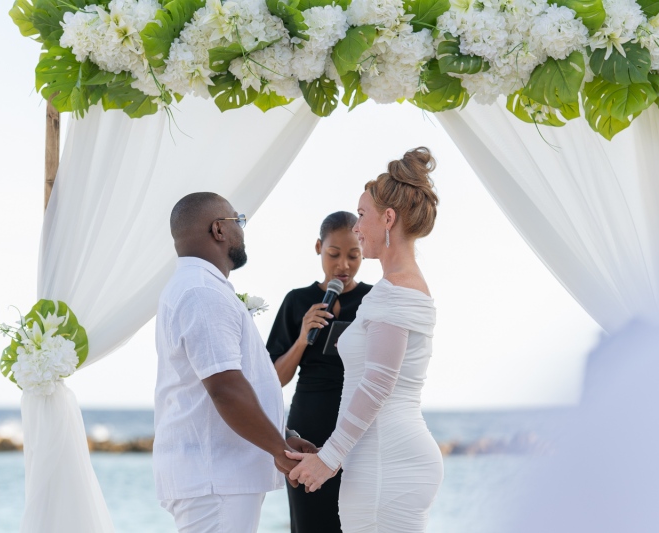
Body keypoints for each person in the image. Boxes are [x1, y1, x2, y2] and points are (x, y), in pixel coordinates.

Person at [287, 148, 444, 532]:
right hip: (378, 455)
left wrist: (330, 459)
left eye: (361, 215)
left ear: (388, 218)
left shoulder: (397, 291)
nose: (356, 227)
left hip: (387, 459)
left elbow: (377, 383)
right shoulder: (391, 288)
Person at [153, 192, 316, 533]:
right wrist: (279, 451)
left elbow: (230, 385)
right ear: (218, 230)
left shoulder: (199, 287)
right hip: (217, 479)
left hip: (218, 476)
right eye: (237, 221)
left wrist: (281, 435)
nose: (242, 230)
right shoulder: (202, 293)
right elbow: (225, 388)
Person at [267, 212, 373, 533]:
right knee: (310, 521)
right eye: (334, 254)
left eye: (354, 255)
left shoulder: (374, 299)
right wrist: (302, 339)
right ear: (318, 248)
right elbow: (274, 379)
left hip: (359, 427)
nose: (343, 265)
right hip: (308, 426)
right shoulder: (297, 301)